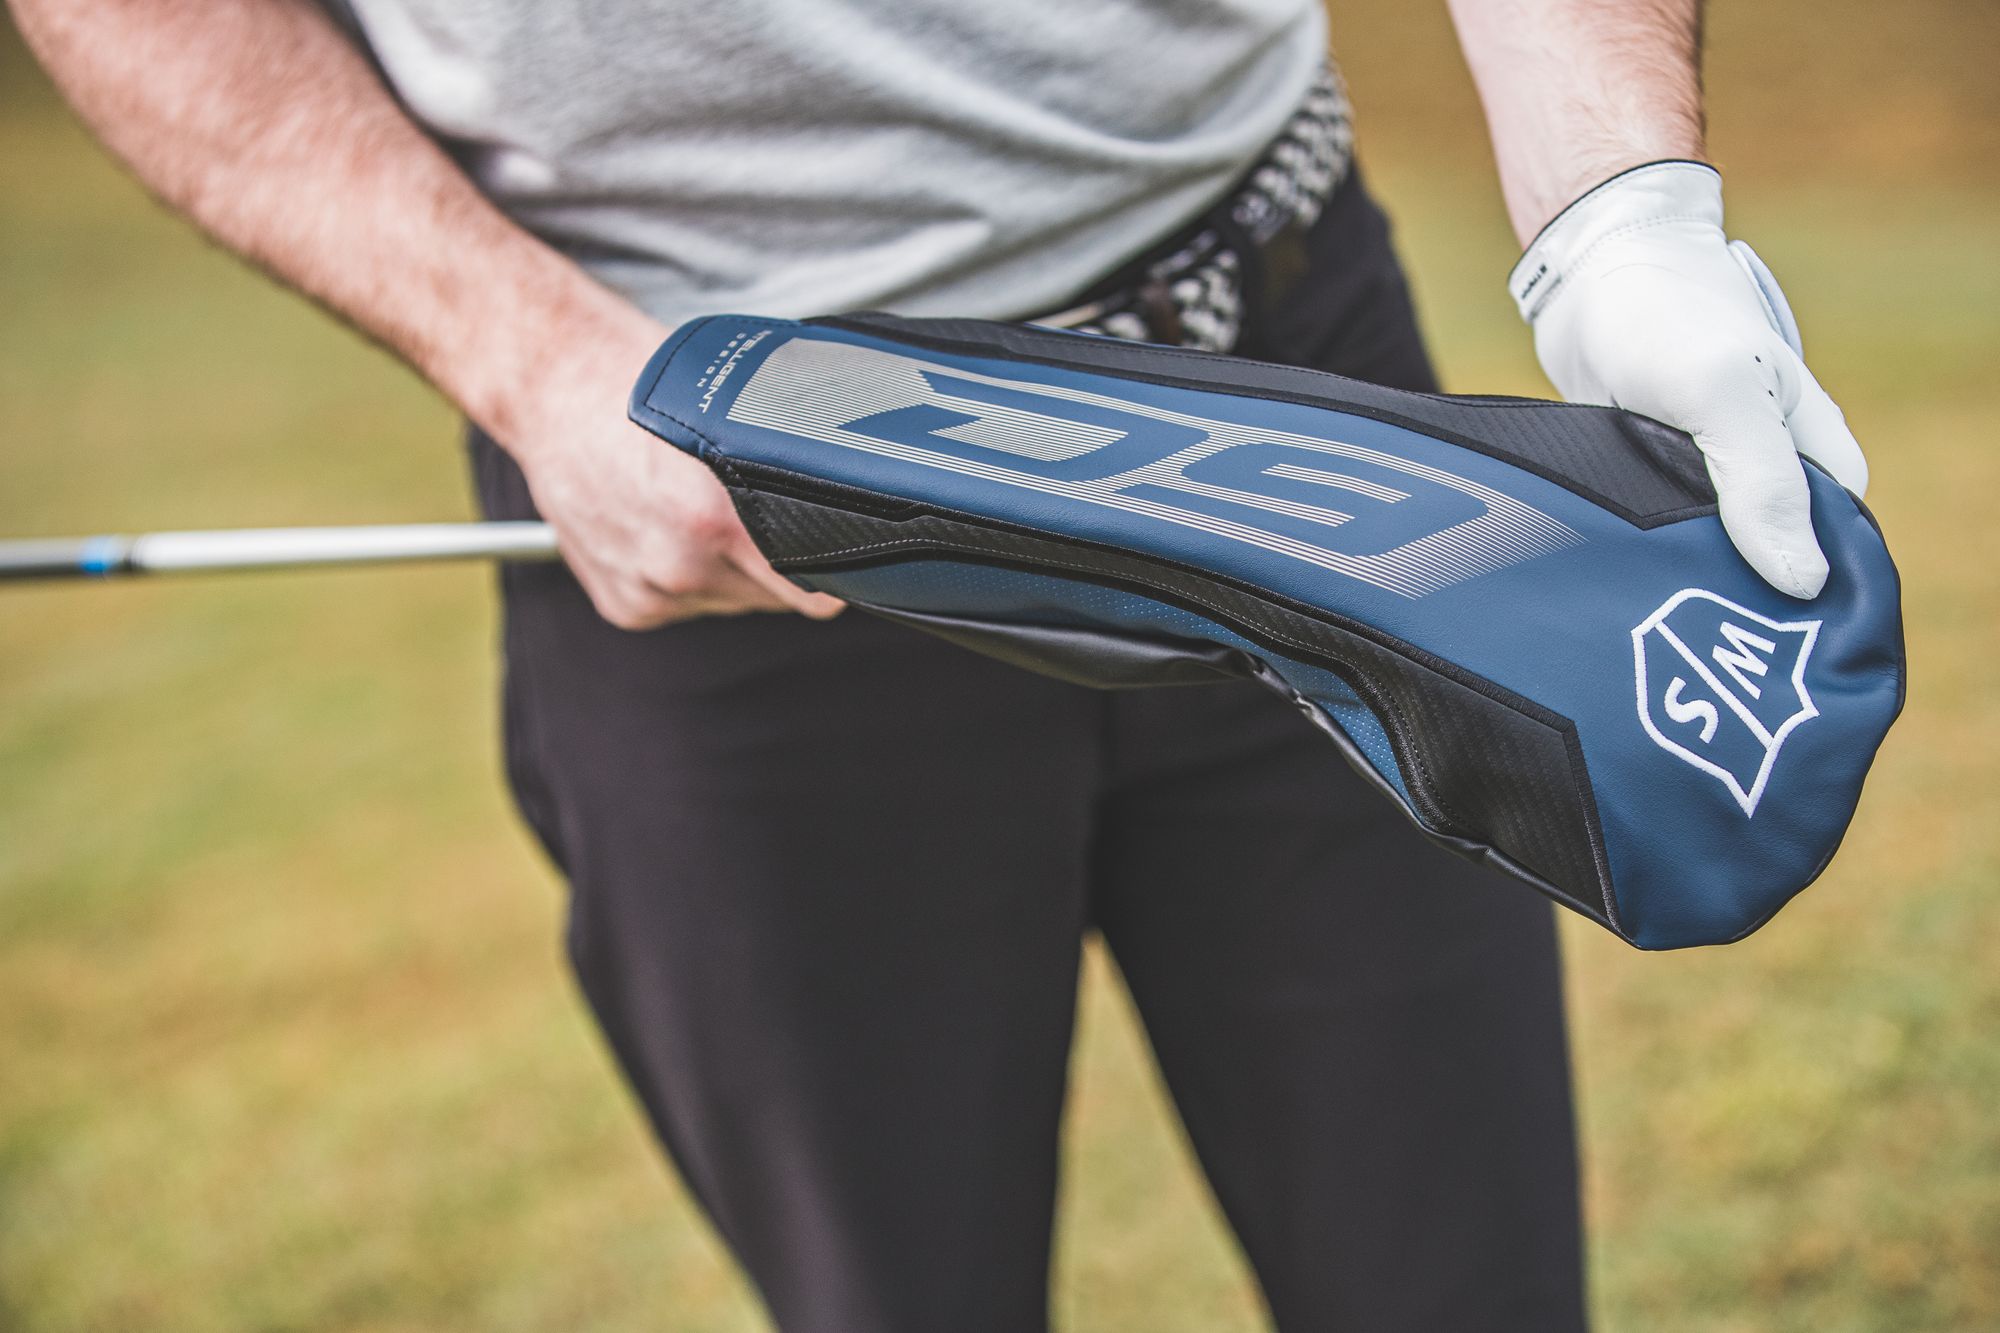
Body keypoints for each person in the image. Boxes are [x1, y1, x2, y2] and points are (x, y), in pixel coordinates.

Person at [12, 2, 1864, 1328]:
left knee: (1460, 1278)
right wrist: (522, 355)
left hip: (1289, 421)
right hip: (717, 487)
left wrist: (1621, 218)